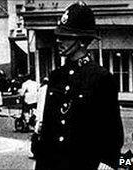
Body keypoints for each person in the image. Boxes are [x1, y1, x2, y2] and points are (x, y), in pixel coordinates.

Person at [35, 1, 124, 170]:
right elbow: (48, 131)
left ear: (82, 41)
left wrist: (107, 163)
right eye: (59, 36)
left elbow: (112, 131)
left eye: (66, 37)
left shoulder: (101, 78)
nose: (59, 41)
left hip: (85, 164)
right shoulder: (56, 77)